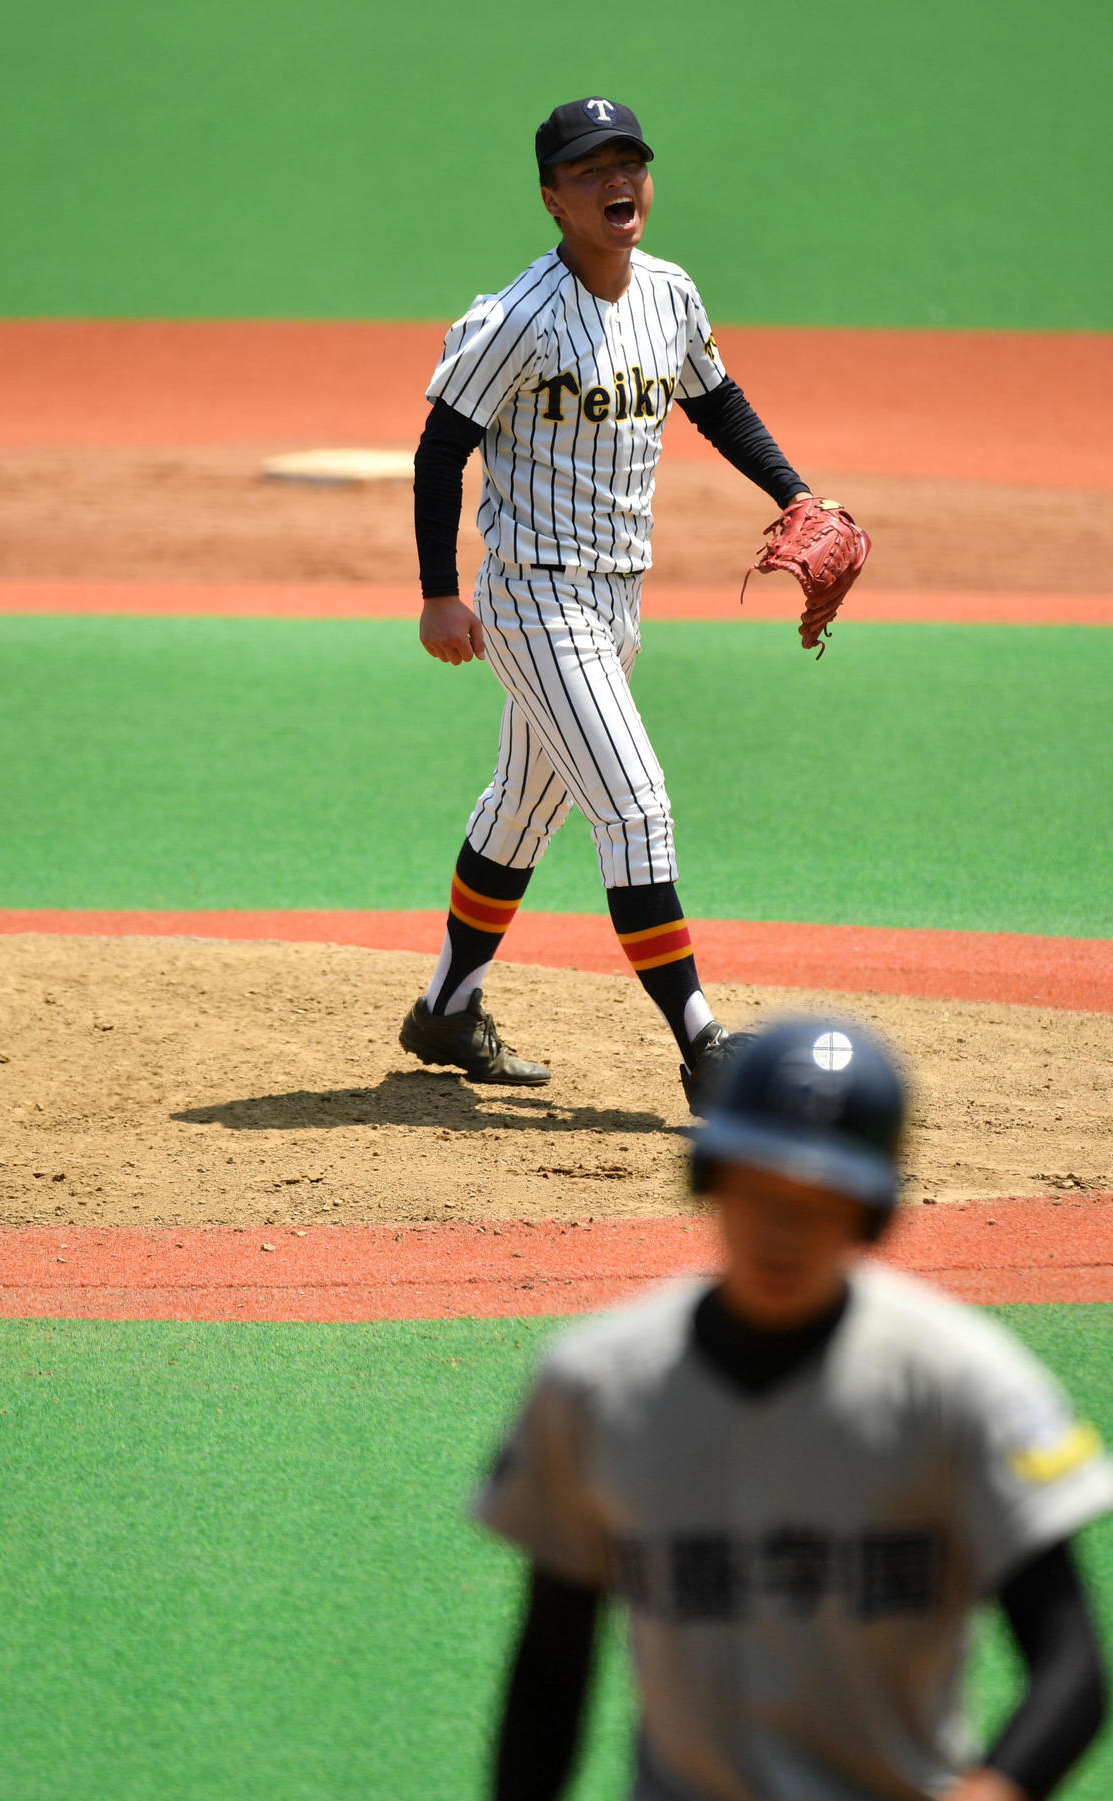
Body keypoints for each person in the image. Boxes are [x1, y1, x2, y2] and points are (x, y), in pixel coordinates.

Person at [437, 1016, 1113, 1801]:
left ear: (873, 1212)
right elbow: (551, 1668)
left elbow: (1074, 1674)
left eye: (822, 1198)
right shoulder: (598, 1386)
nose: (782, 1225)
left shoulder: (958, 1383)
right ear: (711, 1178)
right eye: (761, 1186)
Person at [402, 97, 849, 1110]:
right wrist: (438, 595)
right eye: (590, 168)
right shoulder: (514, 318)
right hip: (531, 601)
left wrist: (794, 494)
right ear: (552, 198)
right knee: (636, 807)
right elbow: (440, 450)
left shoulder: (667, 294)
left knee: (522, 808)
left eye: (629, 163)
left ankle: (445, 1007)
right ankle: (706, 1049)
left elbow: (714, 399)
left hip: (614, 604)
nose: (617, 181)